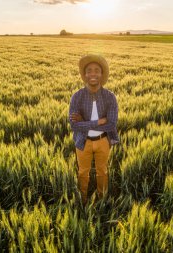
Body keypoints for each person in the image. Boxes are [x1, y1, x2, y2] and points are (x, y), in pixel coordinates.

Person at [69, 54, 119, 205]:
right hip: (83, 141)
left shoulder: (110, 97)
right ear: (84, 75)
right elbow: (73, 125)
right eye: (89, 70)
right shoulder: (77, 96)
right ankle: (82, 201)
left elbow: (111, 124)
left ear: (102, 74)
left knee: (102, 172)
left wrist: (85, 122)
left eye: (97, 70)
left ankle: (101, 200)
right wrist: (98, 121)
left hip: (103, 140)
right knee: (83, 173)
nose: (93, 74)